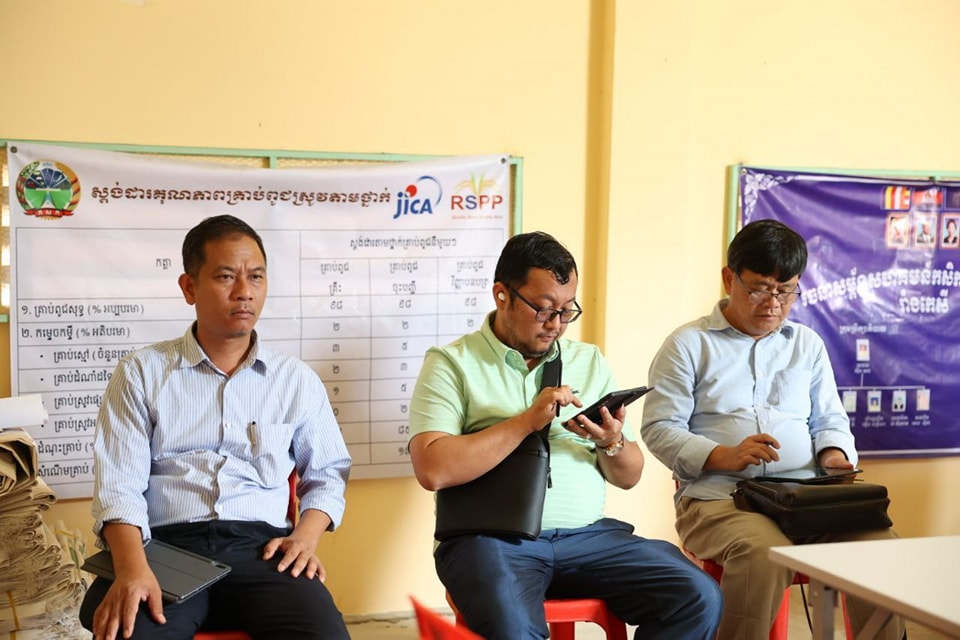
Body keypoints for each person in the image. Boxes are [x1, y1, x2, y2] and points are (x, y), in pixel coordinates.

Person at [408, 231, 723, 640]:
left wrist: (610, 441)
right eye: (543, 309)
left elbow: (629, 476)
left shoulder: (588, 360)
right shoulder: (452, 363)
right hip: (490, 541)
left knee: (698, 594)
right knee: (514, 628)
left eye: (566, 310)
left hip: (590, 538)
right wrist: (526, 421)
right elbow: (433, 469)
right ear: (502, 295)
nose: (556, 324)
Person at [80, 215, 352, 640]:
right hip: (164, 550)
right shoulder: (141, 373)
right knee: (134, 632)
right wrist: (132, 568)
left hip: (263, 552)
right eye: (226, 276)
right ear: (189, 287)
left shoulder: (295, 380)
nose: (244, 291)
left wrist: (305, 537)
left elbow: (328, 474)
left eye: (256, 277)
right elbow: (118, 487)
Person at [640, 219, 904, 640]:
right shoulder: (689, 344)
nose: (773, 303)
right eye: (760, 288)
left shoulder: (806, 344)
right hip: (720, 499)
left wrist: (833, 456)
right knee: (761, 551)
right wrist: (722, 455)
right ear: (729, 278)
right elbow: (659, 427)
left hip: (805, 498)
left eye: (786, 291)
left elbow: (830, 419)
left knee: (878, 542)